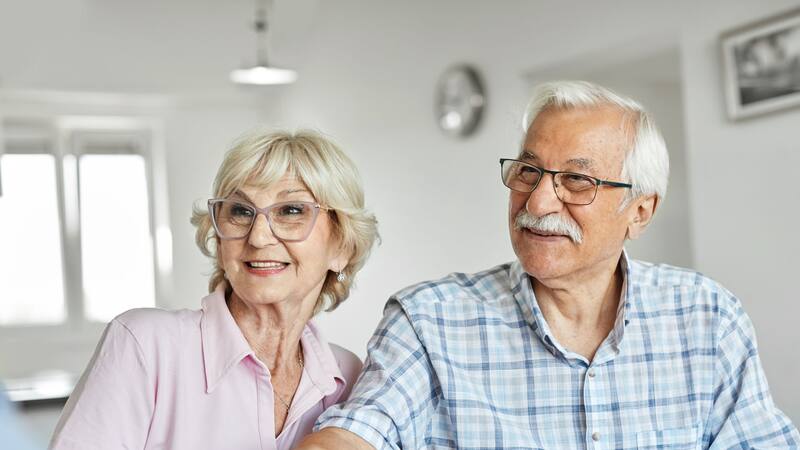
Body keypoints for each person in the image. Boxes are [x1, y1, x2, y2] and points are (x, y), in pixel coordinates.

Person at [297, 81, 800, 449]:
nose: (537, 203)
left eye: (576, 182)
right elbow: (358, 433)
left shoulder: (707, 317)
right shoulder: (429, 319)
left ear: (640, 212)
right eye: (528, 171)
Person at [50, 129, 379, 449]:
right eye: (240, 211)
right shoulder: (145, 345)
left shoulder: (347, 375)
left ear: (342, 247)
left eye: (291, 211)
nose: (258, 236)